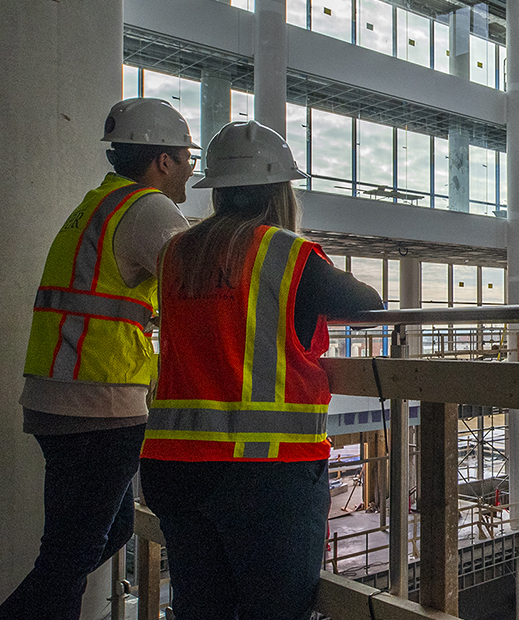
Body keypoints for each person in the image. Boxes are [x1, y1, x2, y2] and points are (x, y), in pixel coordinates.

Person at [139, 120, 383, 619]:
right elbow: (367, 304)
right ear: (279, 190)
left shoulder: (174, 255)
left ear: (218, 192)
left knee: (200, 610)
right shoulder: (286, 253)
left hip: (174, 467)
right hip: (266, 478)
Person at [0, 98, 199, 620]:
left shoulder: (96, 204)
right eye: (187, 158)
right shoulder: (149, 209)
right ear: (162, 161)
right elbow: (197, 286)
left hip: (60, 392)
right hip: (97, 401)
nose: (191, 169)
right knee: (66, 559)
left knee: (104, 536)